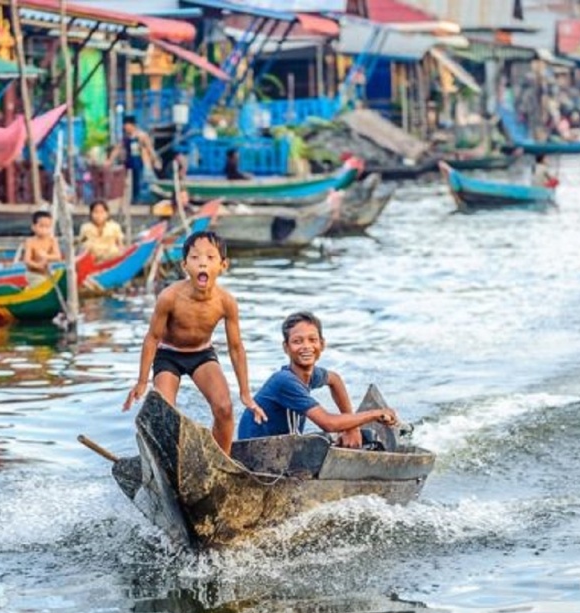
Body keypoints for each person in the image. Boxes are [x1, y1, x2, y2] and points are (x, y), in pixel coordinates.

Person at [122, 230, 265, 455]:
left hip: (201, 354)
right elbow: (152, 338)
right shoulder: (169, 297)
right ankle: (167, 460)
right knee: (165, 414)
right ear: (184, 265)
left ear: (223, 265)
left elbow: (236, 348)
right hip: (168, 355)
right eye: (195, 257)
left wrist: (245, 392)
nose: (202, 263)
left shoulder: (226, 302)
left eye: (210, 257)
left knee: (224, 408)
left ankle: (220, 460)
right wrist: (142, 381)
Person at [237, 311, 398, 448]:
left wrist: (352, 428)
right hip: (257, 453)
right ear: (286, 347)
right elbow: (328, 423)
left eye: (312, 340)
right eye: (297, 341)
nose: (306, 346)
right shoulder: (284, 381)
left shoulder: (311, 374)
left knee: (361, 438)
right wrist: (375, 414)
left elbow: (335, 380)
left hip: (283, 448)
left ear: (322, 344)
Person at [107, 115, 160, 203]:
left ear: (132, 125)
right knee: (130, 183)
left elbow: (150, 149)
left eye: (127, 125)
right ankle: (132, 199)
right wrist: (110, 160)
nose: (125, 128)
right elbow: (117, 149)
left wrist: (155, 160)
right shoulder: (125, 137)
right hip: (129, 163)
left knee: (141, 182)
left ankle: (141, 199)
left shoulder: (141, 135)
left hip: (140, 163)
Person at [21, 210, 62, 286]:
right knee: (41, 284)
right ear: (33, 227)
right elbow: (27, 260)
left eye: (47, 227)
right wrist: (37, 265)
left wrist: (46, 256)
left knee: (57, 283)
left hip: (48, 272)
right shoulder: (30, 241)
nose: (44, 229)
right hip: (34, 274)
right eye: (41, 226)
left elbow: (58, 256)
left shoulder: (52, 241)